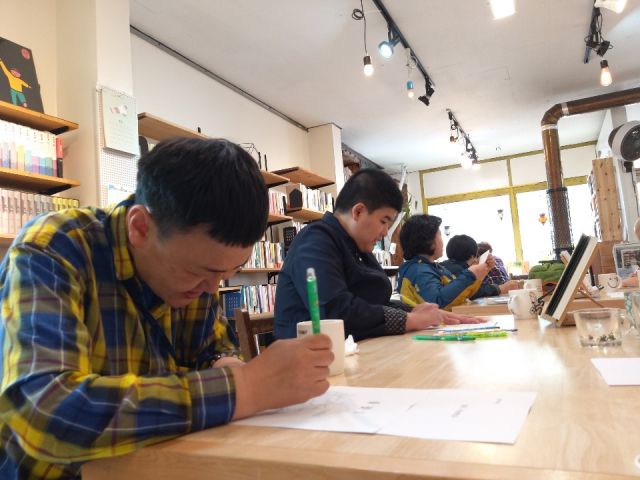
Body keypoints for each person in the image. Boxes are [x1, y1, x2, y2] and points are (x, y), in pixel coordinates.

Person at [0, 138, 334, 480]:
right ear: (140, 228)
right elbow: (43, 412)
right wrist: (246, 387)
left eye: (228, 272)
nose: (212, 289)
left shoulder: (197, 271)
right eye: (201, 272)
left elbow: (211, 350)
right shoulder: (53, 249)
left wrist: (227, 365)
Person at [273, 169, 482, 341]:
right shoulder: (315, 240)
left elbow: (374, 304)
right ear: (358, 212)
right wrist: (409, 319)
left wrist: (416, 312)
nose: (384, 233)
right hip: (310, 363)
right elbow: (336, 311)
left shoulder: (356, 246)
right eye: (384, 221)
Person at [397, 215, 494, 310]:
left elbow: (460, 295)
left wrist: (479, 275)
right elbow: (437, 303)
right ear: (428, 241)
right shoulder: (419, 271)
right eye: (439, 235)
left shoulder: (432, 267)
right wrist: (470, 275)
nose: (442, 241)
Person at [441, 235, 522, 298]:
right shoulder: (459, 270)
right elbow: (474, 292)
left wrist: (486, 269)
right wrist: (500, 288)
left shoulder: (446, 265)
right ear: (472, 256)